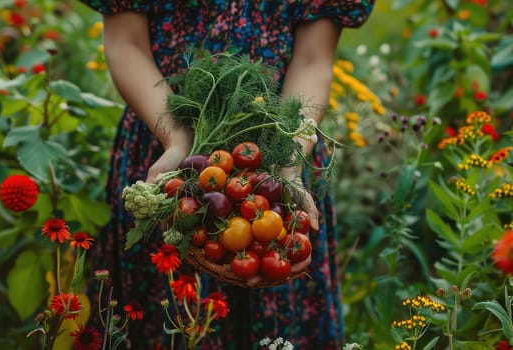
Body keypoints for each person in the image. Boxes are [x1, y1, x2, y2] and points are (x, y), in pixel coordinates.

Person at [78, 1, 375, 349]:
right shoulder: (173, 144)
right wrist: (177, 140)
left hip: (276, 145)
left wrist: (289, 163)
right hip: (167, 138)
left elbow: (313, 60)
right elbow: (125, 44)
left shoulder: (282, 158)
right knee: (167, 306)